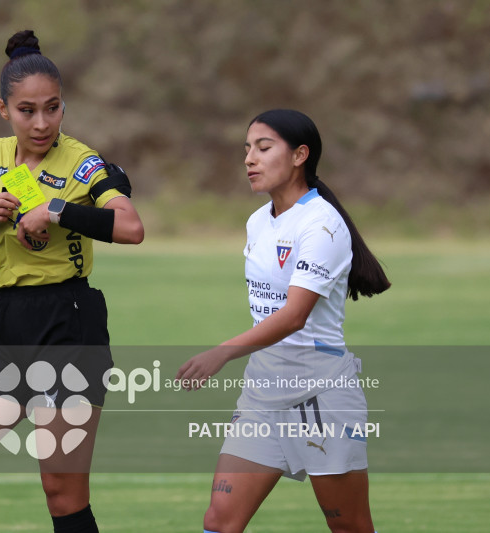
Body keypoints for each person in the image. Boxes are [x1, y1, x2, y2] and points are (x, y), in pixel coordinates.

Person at [0, 30, 144, 533]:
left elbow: (131, 227)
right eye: (28, 110)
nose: (42, 122)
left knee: (63, 494)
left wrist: (58, 210)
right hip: (7, 326)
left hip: (70, 326)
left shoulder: (83, 162)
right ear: (3, 109)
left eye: (53, 108)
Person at [176, 109, 390, 533]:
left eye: (263, 147)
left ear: (299, 155)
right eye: (247, 149)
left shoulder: (323, 225)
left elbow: (293, 317)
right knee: (219, 521)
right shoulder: (258, 222)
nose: (249, 159)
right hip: (262, 394)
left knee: (350, 526)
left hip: (322, 396)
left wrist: (222, 353)